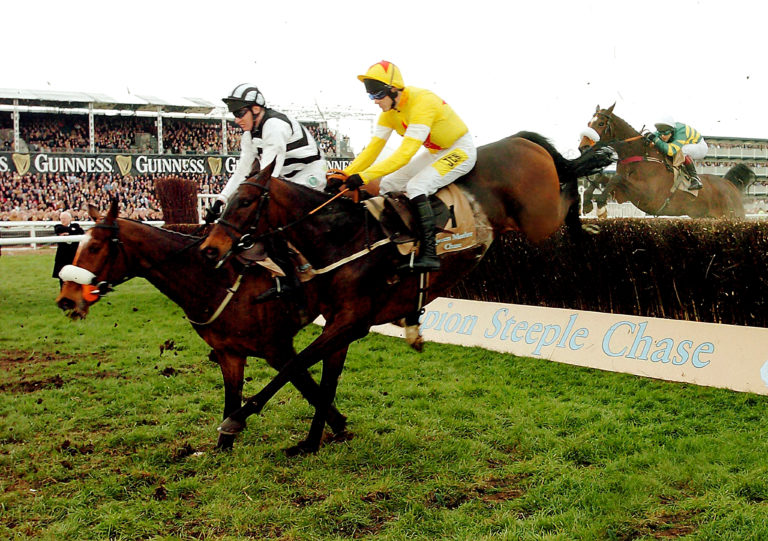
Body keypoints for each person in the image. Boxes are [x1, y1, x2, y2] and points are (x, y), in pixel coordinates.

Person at [326, 61, 477, 272]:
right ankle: (396, 240)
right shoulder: (388, 113)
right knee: (389, 183)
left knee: (417, 186)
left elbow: (405, 155)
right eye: (371, 96)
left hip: (460, 149)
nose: (375, 101)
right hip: (436, 152)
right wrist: (345, 174)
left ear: (394, 90)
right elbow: (372, 150)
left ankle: (430, 254)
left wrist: (364, 177)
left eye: (378, 95)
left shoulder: (422, 103)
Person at [207, 83, 328, 301]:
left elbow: (268, 175)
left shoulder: (274, 125)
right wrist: (221, 200)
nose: (236, 119)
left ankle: (298, 274)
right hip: (287, 178)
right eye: (234, 114)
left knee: (269, 211)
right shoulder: (250, 134)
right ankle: (282, 273)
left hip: (309, 174)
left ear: (256, 109)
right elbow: (242, 170)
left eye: (239, 113)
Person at [645, 116, 707, 190]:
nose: (662, 136)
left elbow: (671, 151)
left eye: (665, 133)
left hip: (700, 146)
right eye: (660, 132)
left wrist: (656, 140)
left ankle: (695, 178)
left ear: (672, 130)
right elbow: (653, 136)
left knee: (682, 150)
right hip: (687, 145)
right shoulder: (665, 129)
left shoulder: (681, 131)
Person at [52, 210, 84, 288]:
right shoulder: (58, 226)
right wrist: (72, 231)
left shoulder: (76, 225)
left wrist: (68, 233)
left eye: (64, 218)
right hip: (62, 257)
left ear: (70, 219)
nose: (62, 220)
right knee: (62, 276)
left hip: (74, 255)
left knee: (75, 276)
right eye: (61, 218)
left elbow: (81, 232)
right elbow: (59, 230)